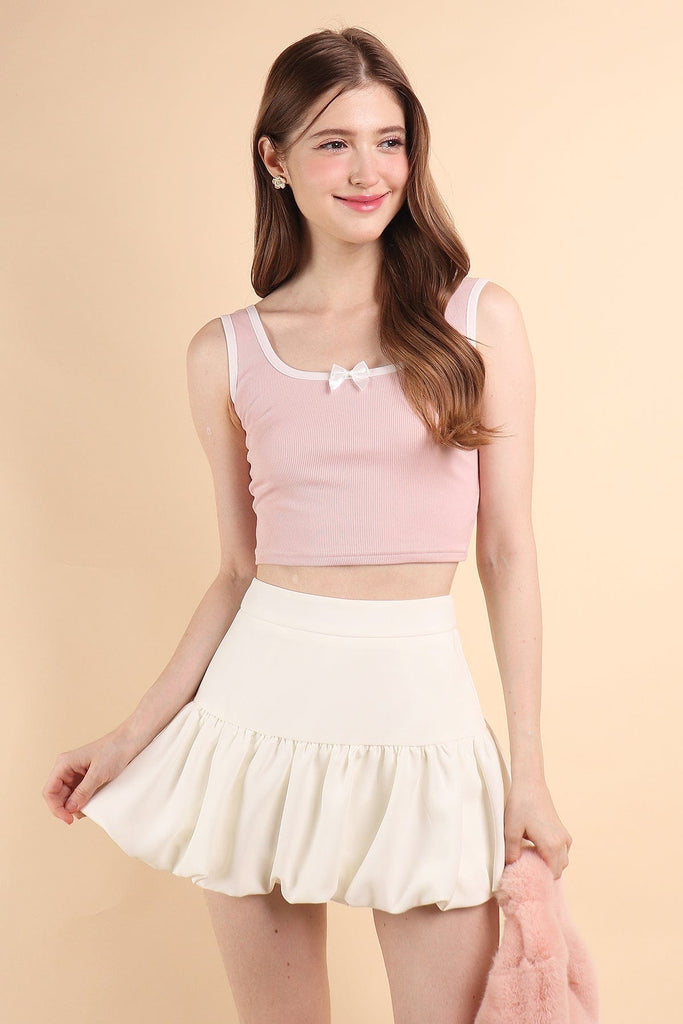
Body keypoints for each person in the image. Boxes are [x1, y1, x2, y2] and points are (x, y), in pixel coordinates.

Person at [42, 24, 573, 1024]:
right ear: (275, 159)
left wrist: (528, 774)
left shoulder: (477, 321)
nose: (368, 171)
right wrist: (128, 737)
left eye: (388, 140)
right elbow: (238, 571)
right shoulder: (226, 352)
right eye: (334, 142)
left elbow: (506, 550)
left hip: (420, 722)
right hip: (255, 724)